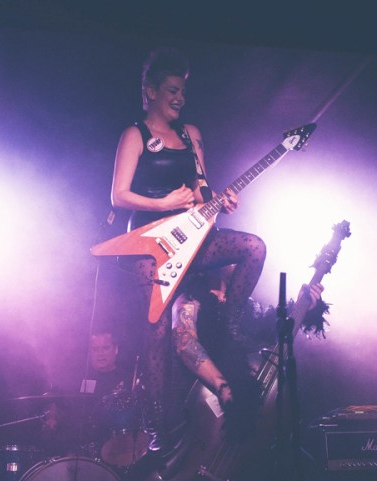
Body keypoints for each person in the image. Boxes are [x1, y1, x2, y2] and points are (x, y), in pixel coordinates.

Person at [110, 47, 272, 452]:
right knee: (157, 331)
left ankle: (230, 324)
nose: (180, 98)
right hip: (149, 245)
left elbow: (202, 191)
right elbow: (118, 195)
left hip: (192, 239)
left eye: (183, 91)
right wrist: (162, 203)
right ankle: (159, 430)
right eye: (172, 90)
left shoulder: (190, 134)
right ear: (151, 91)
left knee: (253, 247)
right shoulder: (135, 135)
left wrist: (220, 201)